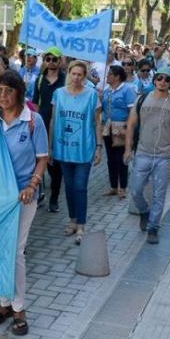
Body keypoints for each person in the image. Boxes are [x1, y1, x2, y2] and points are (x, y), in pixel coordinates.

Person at [0, 70, 48, 336]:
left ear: (19, 93)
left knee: (15, 252)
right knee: (0, 251)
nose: (3, 96)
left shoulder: (33, 120)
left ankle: (19, 307)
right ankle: (3, 303)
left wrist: (32, 185)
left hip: (23, 196)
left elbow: (43, 157)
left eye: (8, 91)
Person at [124, 68, 170, 244]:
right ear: (154, 80)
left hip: (163, 156)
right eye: (159, 78)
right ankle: (144, 211)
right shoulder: (142, 99)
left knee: (160, 194)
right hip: (142, 153)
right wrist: (128, 149)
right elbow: (131, 124)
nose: (162, 81)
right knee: (135, 190)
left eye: (167, 79)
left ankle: (153, 227)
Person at [49, 61, 102, 245]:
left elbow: (97, 122)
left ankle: (81, 224)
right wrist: (49, 147)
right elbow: (53, 121)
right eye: (74, 74)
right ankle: (72, 220)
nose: (77, 78)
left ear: (85, 76)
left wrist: (99, 147)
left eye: (80, 74)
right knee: (69, 187)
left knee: (80, 186)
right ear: (69, 74)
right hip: (64, 149)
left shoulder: (92, 95)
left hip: (84, 149)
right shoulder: (58, 94)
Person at [33, 49, 66, 213]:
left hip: (59, 126)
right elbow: (36, 104)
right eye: (48, 59)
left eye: (54, 59)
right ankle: (38, 195)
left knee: (55, 165)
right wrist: (35, 123)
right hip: (42, 125)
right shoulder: (39, 80)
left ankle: (54, 198)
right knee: (38, 161)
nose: (51, 62)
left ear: (60, 61)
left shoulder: (66, 80)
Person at [101, 65, 136, 198]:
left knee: (121, 157)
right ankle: (113, 186)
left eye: (110, 74)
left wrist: (127, 127)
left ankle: (123, 187)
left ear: (117, 76)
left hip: (121, 126)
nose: (107, 76)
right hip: (108, 127)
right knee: (110, 158)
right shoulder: (107, 90)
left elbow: (132, 111)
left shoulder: (127, 90)